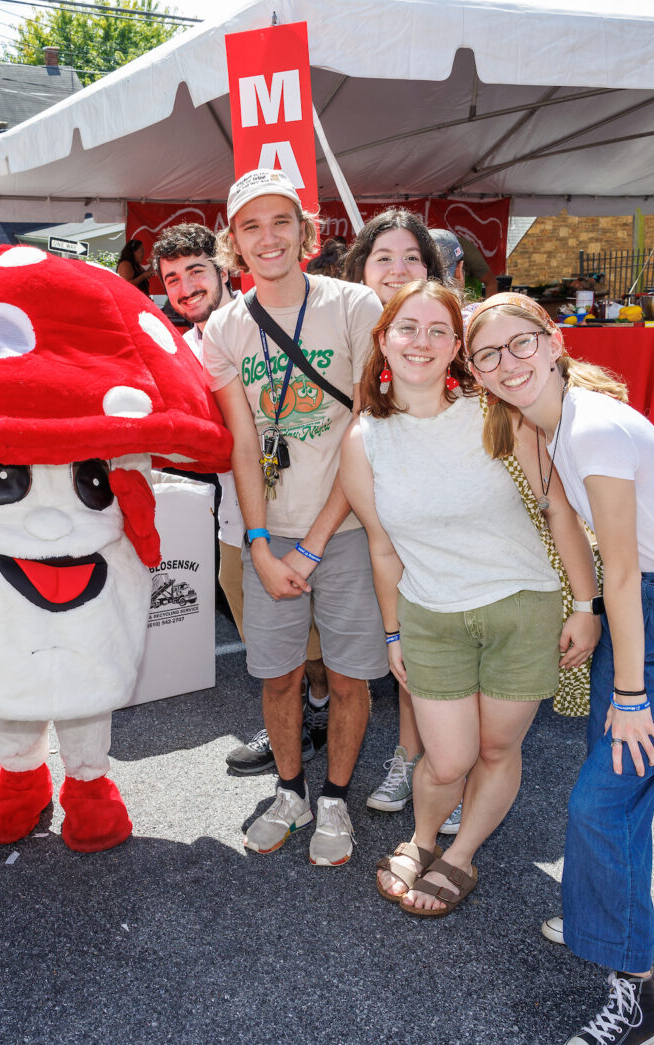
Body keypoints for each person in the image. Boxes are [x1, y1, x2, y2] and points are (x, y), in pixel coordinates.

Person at [467, 293, 654, 1045]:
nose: (507, 363)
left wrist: (630, 691)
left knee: (601, 801)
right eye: (488, 355)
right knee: (618, 788)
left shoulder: (595, 428)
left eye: (519, 345)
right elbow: (562, 518)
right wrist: (582, 608)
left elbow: (623, 569)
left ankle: (638, 1005)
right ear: (477, 373)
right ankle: (604, 917)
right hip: (638, 606)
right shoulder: (543, 424)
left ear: (552, 342)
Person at [341, 281, 599, 917]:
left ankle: (460, 857)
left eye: (438, 331)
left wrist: (587, 606)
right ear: (383, 340)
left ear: (457, 346)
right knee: (448, 757)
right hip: (432, 617)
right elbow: (381, 548)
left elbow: (559, 510)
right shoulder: (364, 439)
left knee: (495, 750)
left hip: (524, 608)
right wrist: (394, 632)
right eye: (408, 329)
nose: (421, 342)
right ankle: (421, 837)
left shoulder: (496, 412)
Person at [201, 168, 386, 867]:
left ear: (306, 233)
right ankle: (291, 790)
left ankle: (335, 795)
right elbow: (244, 442)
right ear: (234, 243)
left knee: (348, 677)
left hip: (346, 529)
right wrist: (257, 540)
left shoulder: (355, 305)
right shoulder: (221, 327)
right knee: (276, 676)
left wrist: (309, 546)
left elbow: (368, 429)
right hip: (268, 535)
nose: (268, 237)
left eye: (282, 221)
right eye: (252, 225)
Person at [151, 222, 329, 776]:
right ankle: (292, 712)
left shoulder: (269, 321)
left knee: (320, 630)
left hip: (310, 503)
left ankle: (318, 707)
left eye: (196, 271)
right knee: (259, 622)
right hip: (236, 515)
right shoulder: (180, 351)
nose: (185, 287)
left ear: (223, 268)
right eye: (172, 279)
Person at [339, 208, 450, 819]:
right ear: (361, 267)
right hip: (376, 508)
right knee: (403, 634)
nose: (397, 268)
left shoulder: (443, 329)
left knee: (433, 637)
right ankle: (419, 757)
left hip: (441, 511)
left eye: (411, 257)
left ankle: (428, 760)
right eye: (383, 257)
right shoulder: (353, 326)